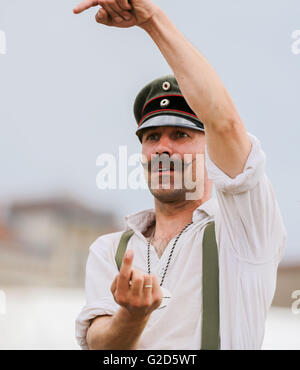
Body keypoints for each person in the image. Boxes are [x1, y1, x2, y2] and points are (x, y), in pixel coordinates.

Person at [73, 0, 286, 350]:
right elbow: (100, 347)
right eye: (152, 137)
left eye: (181, 135)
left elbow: (225, 122)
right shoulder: (109, 250)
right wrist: (132, 315)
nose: (163, 148)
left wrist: (151, 19)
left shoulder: (242, 230)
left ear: (211, 147)